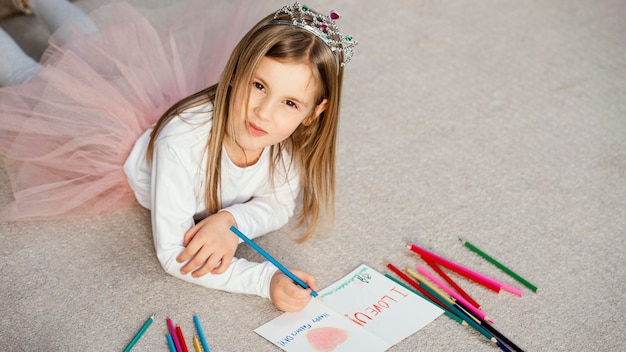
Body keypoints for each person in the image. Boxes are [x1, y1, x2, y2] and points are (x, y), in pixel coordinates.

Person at [0, 0, 357, 312]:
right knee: (40, 80)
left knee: (89, 51)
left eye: (290, 102)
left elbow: (278, 204)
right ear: (235, 73)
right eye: (258, 85)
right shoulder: (180, 144)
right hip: (109, 135)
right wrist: (265, 281)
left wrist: (230, 222)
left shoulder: (286, 140)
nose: (264, 113)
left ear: (313, 112)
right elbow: (173, 255)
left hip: (145, 102)